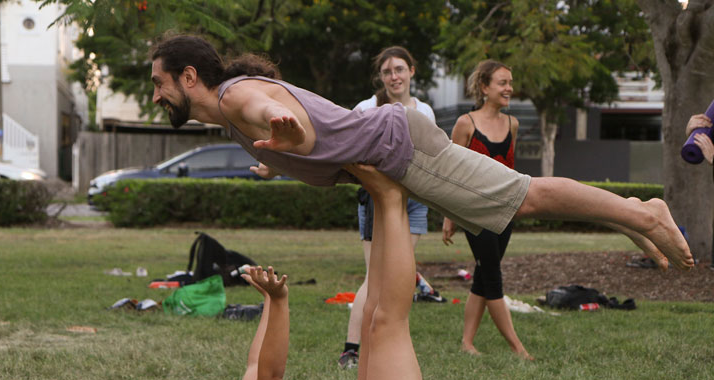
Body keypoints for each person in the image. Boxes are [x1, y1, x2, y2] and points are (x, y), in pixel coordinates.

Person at [149, 35, 694, 272]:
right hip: (396, 152)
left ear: (188, 76)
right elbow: (285, 126)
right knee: (521, 203)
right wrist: (278, 157)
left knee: (525, 199)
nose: (155, 95)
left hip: (402, 150)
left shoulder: (237, 96)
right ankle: (637, 217)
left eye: (159, 82)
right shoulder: (229, 107)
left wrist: (286, 133)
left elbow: (280, 118)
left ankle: (645, 212)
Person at [111, 166, 440, 380]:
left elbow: (256, 365)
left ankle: (384, 196)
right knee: (386, 323)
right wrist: (282, 301)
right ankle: (393, 195)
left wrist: (268, 300)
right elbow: (271, 375)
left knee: (370, 313)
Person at [339, 46, 439, 370]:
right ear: (380, 77)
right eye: (387, 72)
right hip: (377, 201)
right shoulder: (367, 107)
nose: (394, 76)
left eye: (399, 69)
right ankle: (351, 350)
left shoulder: (424, 111)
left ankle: (389, 347)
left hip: (415, 201)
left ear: (412, 70)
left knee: (402, 277)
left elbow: (432, 155)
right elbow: (347, 149)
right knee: (376, 276)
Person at [442, 60, 532, 360]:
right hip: (475, 213)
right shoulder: (466, 124)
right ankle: (517, 347)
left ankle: (467, 343)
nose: (509, 88)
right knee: (492, 274)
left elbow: (510, 170)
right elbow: (451, 174)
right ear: (484, 87)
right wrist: (449, 216)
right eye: (502, 83)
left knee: (482, 274)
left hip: (506, 212)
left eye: (510, 82)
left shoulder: (512, 124)